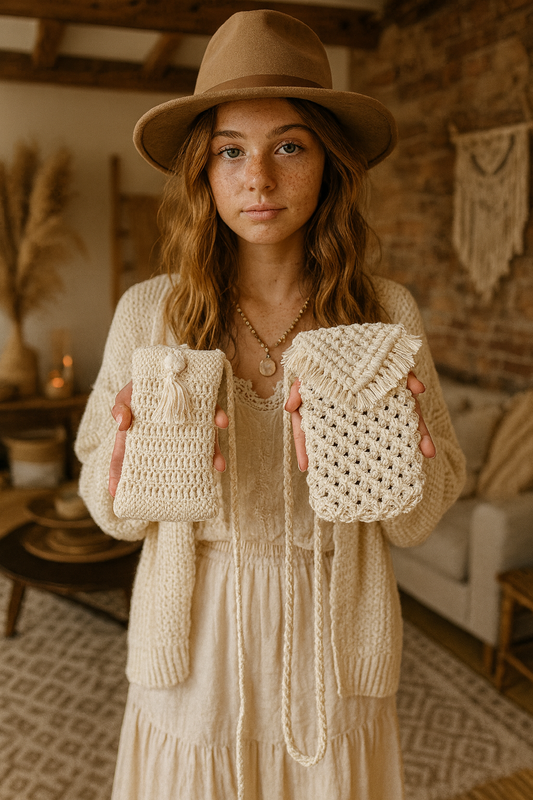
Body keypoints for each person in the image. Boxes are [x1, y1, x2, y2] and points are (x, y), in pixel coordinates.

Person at [75, 9, 465, 800]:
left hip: (333, 631)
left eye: (288, 145)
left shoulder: (384, 313)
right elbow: (108, 507)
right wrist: (119, 471)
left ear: (328, 162)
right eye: (230, 152)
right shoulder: (148, 314)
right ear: (202, 172)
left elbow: (419, 516)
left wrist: (410, 459)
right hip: (193, 632)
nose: (258, 178)